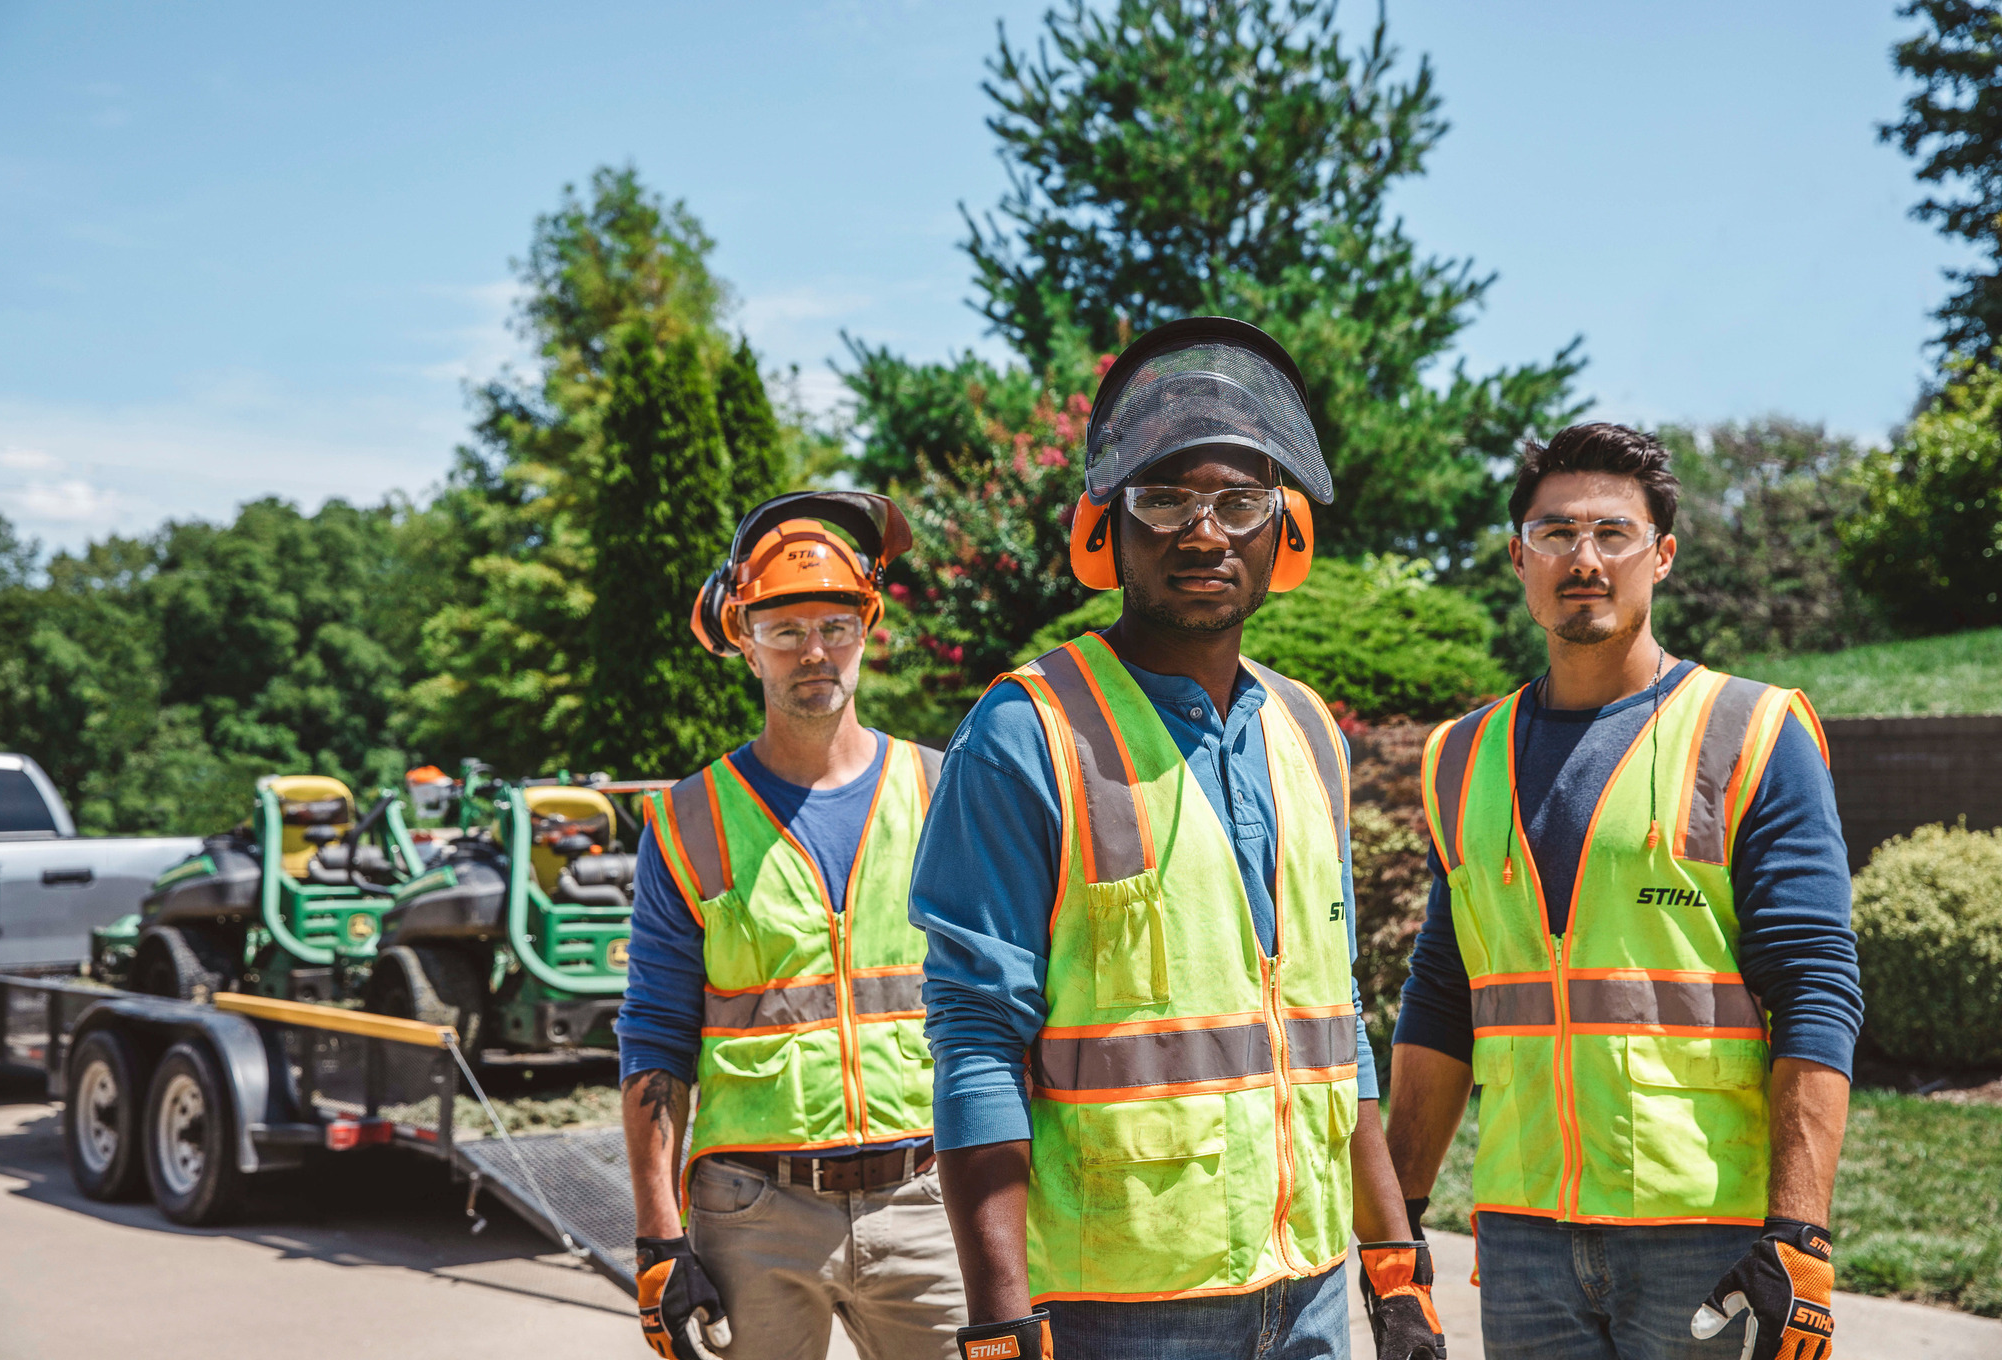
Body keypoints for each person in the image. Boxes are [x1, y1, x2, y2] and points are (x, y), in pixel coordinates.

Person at [911, 318, 1446, 1360]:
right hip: (1117, 1313)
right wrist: (996, 1319)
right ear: (1106, 528)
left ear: (1283, 533)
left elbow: (1340, 1038)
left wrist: (1394, 1264)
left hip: (1315, 1293)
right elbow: (976, 1039)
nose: (1205, 533)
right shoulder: (1027, 732)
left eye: (1240, 501)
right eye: (1164, 499)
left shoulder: (1306, 733)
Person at [1385, 423, 1863, 1360]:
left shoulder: (1750, 730)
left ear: (1664, 556)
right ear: (1518, 557)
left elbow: (1816, 984)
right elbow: (1443, 997)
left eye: (1615, 534)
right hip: (1525, 1236)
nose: (1585, 558)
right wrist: (1398, 1230)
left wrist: (1799, 1233)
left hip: (1712, 1236)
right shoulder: (1460, 758)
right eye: (1556, 533)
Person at [615, 492, 966, 1360]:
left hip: (927, 1198)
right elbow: (654, 1036)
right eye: (785, 628)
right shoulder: (688, 822)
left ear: (868, 625)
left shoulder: (939, 791)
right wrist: (661, 1242)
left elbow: (1007, 1007)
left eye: (836, 624)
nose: (815, 650)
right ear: (743, 637)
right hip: (751, 1213)